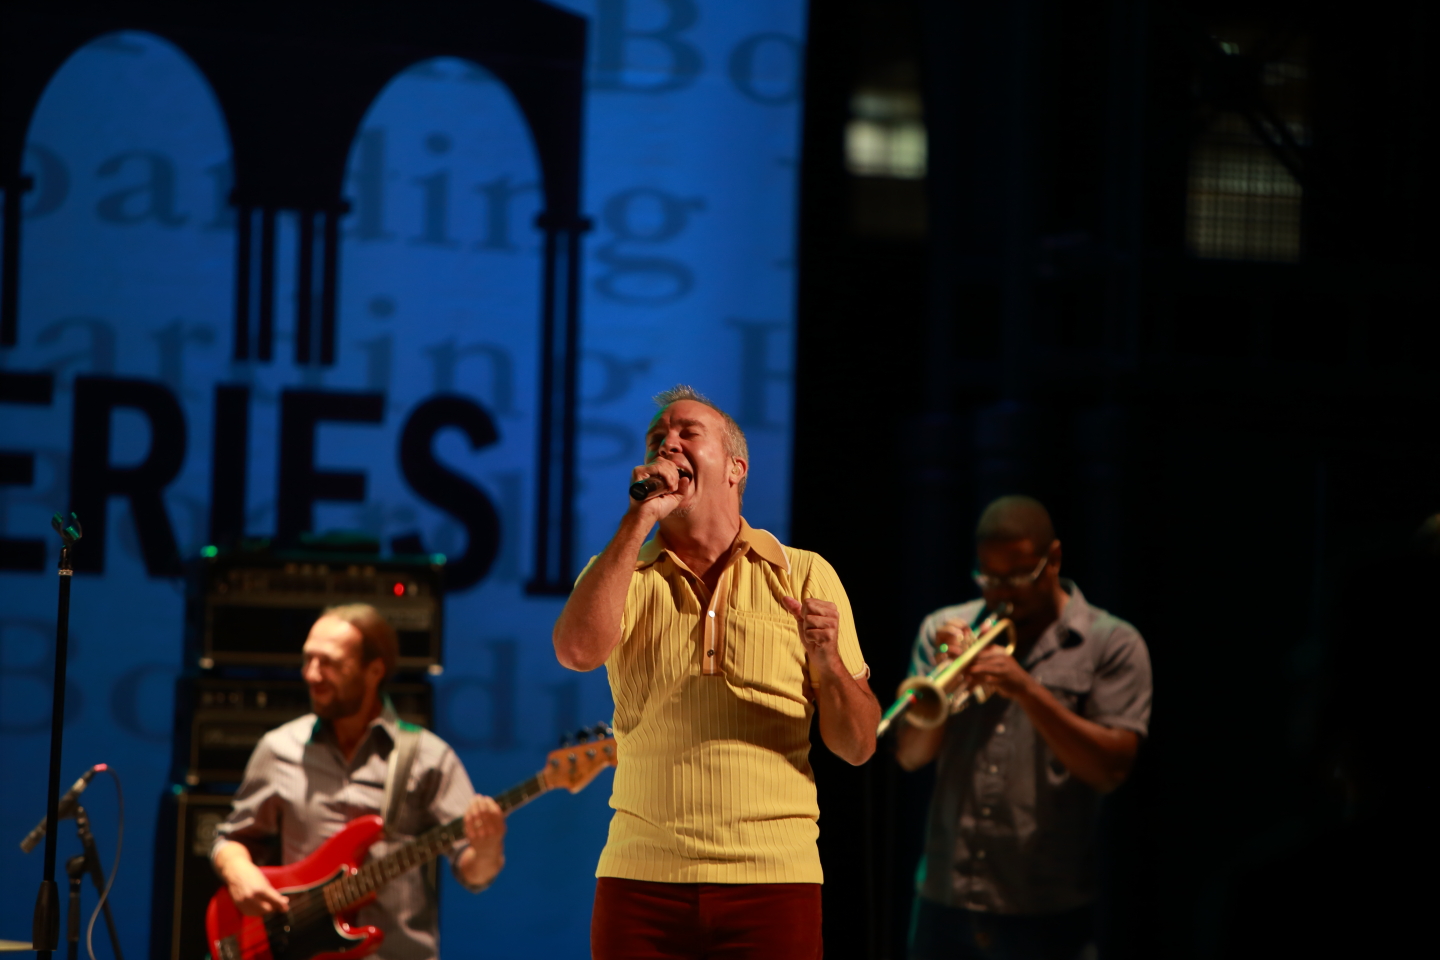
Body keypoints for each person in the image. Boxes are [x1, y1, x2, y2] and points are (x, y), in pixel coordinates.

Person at [553, 384, 880, 960]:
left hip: (773, 880)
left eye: (687, 433)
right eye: (657, 438)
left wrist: (828, 662)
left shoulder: (803, 574)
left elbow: (857, 747)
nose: (667, 445)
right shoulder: (622, 571)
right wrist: (638, 519)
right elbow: (576, 652)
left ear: (735, 468)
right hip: (641, 879)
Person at [895, 495, 1152, 960]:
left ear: (1053, 559)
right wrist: (943, 677)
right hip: (945, 900)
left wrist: (1028, 691)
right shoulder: (942, 628)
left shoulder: (1111, 642)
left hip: (1046, 912)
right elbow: (910, 756)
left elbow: (1111, 769)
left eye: (1016, 577)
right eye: (989, 578)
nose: (1000, 594)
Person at [211, 604, 505, 960]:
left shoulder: (430, 757)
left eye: (330, 663)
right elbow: (233, 838)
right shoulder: (279, 748)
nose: (311, 674)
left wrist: (487, 848)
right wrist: (238, 872)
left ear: (374, 671)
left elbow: (474, 873)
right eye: (308, 659)